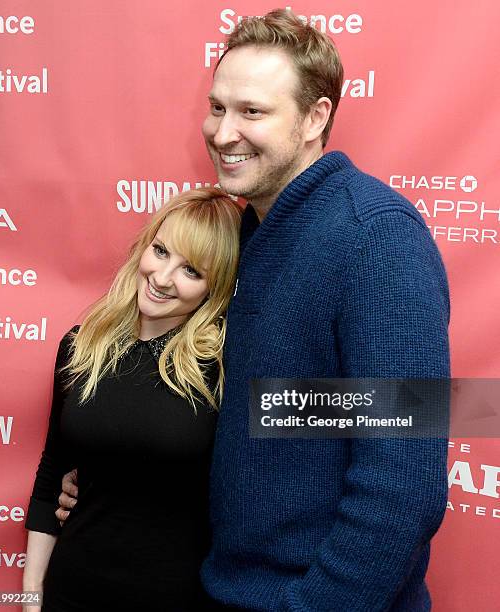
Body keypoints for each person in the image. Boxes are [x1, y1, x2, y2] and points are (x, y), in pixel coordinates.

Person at [59, 9, 450, 611]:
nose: (222, 132)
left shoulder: (376, 238)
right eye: (218, 107)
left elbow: (403, 486)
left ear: (316, 117)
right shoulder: (244, 236)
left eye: (253, 112)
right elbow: (269, 415)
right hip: (218, 588)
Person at [22, 187, 242, 611]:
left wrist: (406, 408)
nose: (162, 278)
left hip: (179, 598)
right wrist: (31, 598)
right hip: (72, 590)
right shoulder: (82, 346)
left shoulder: (223, 367)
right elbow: (53, 473)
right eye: (161, 251)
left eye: (191, 271)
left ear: (215, 288)